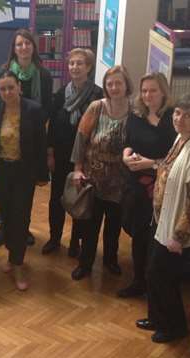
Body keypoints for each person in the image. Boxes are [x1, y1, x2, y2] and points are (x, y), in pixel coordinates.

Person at [134, 94, 190, 343]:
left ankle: (174, 327)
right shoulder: (183, 136)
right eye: (178, 113)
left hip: (175, 230)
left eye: (188, 115)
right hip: (162, 220)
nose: (180, 119)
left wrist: (179, 237)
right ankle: (157, 318)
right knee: (152, 272)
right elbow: (168, 166)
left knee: (162, 277)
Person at [70, 65, 132, 281]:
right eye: (110, 83)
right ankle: (85, 263)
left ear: (126, 85)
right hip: (93, 178)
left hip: (120, 181)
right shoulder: (96, 107)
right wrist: (77, 169)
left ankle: (110, 260)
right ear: (105, 86)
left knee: (114, 225)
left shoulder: (135, 111)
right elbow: (80, 139)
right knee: (90, 225)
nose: (114, 87)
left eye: (118, 83)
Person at [118, 72, 177, 298]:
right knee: (138, 232)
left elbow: (176, 158)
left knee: (156, 235)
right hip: (136, 184)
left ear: (163, 92)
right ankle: (138, 280)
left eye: (153, 90)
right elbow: (128, 142)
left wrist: (151, 163)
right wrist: (126, 156)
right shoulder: (136, 116)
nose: (147, 95)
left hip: (162, 186)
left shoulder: (173, 119)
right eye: (144, 91)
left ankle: (154, 283)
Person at [0, 70, 49, 290]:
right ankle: (11, 256)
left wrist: (42, 175)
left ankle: (17, 264)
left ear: (19, 88)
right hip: (1, 171)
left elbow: (41, 144)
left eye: (11, 87)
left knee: (21, 217)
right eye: (2, 88)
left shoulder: (33, 110)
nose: (7, 92)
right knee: (6, 217)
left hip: (24, 173)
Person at [42, 48, 103, 257]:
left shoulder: (97, 95)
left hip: (84, 158)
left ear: (89, 67)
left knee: (80, 200)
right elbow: (52, 126)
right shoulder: (61, 94)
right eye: (71, 63)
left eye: (80, 63)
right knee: (56, 198)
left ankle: (75, 242)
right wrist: (50, 153)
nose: (75, 67)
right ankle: (54, 238)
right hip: (60, 155)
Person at [0, 29, 53, 248]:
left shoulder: (43, 74)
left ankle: (23, 229)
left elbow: (47, 106)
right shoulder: (5, 70)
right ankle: (4, 228)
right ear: (14, 48)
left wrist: (30, 123)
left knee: (24, 195)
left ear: (33, 46)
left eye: (27, 43)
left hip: (30, 136)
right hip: (7, 133)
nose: (24, 47)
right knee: (4, 192)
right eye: (19, 44)